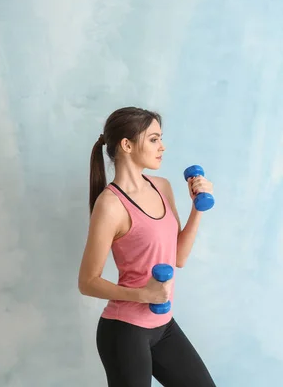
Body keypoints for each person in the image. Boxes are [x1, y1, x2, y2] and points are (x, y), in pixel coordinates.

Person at [77, 107, 217, 387]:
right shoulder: (110, 205)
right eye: (153, 139)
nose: (162, 146)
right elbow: (87, 282)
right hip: (125, 332)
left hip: (163, 327)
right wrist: (142, 295)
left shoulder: (161, 187)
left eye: (160, 138)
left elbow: (179, 258)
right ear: (126, 145)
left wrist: (197, 208)